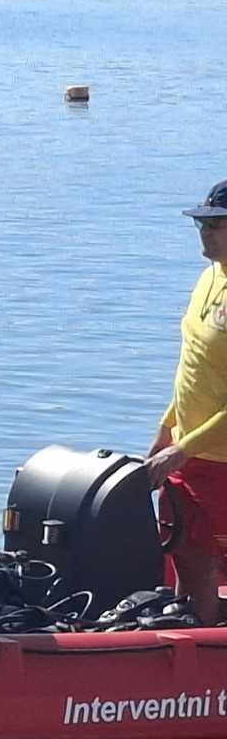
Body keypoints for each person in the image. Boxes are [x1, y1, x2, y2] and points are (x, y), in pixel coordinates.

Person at [146, 180, 227, 625]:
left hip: (219, 461)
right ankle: (180, 637)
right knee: (182, 556)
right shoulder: (209, 277)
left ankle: (207, 650)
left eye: (216, 224)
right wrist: (166, 432)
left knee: (207, 565)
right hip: (186, 452)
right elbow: (193, 366)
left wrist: (183, 448)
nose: (205, 232)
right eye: (202, 223)